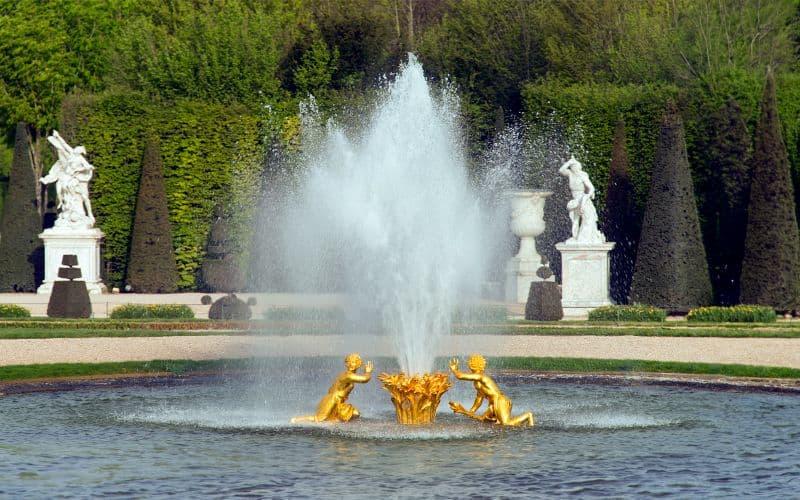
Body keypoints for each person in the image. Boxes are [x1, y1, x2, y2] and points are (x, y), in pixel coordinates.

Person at [448, 354, 534, 427]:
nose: (470, 364)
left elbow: (460, 376)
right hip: (493, 404)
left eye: (472, 363)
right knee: (486, 422)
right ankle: (524, 428)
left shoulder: (481, 377)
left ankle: (528, 416)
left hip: (500, 401)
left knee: (506, 424)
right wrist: (470, 411)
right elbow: (479, 399)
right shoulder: (477, 383)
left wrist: (454, 370)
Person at [290, 353, 373, 423]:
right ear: (346, 364)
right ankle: (296, 420)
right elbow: (365, 379)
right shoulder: (348, 375)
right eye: (349, 362)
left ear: (358, 364)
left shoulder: (346, 374)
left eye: (354, 362)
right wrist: (368, 372)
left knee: (355, 414)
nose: (351, 364)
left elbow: (332, 388)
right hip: (332, 399)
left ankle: (336, 422)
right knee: (320, 419)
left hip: (339, 402)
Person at [40, 130, 95, 228]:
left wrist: (78, 170)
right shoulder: (72, 154)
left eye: (77, 150)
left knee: (83, 196)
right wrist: (58, 136)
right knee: (60, 187)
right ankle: (63, 203)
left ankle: (88, 214)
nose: (74, 150)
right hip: (68, 177)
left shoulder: (80, 159)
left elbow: (88, 167)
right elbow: (64, 145)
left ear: (79, 152)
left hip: (76, 178)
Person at [558, 155, 604, 244]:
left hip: (582, 199)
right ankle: (575, 238)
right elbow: (561, 170)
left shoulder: (582, 175)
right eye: (572, 167)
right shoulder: (570, 174)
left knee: (587, 219)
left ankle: (584, 238)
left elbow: (591, 188)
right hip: (575, 200)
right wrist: (569, 162)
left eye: (575, 166)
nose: (573, 168)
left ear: (579, 167)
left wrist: (586, 197)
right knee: (574, 220)